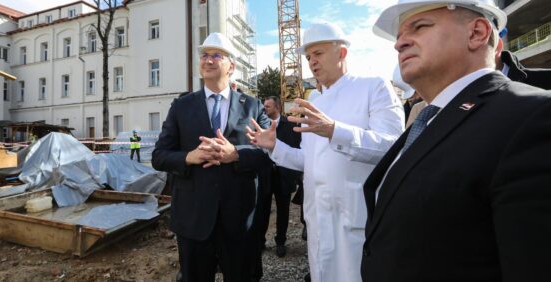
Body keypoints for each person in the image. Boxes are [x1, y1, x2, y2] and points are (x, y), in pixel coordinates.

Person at [363, 0, 551, 281]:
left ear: (477, 33)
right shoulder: (429, 119)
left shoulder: (533, 117)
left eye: (420, 26)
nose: (399, 42)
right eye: (399, 35)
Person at [246, 22, 404, 282]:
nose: (312, 62)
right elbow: (310, 162)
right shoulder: (315, 102)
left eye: (318, 54)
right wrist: (275, 146)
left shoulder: (373, 87)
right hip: (318, 219)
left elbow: (391, 148)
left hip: (355, 220)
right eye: (308, 57)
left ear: (341, 53)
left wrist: (334, 130)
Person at [152, 32, 271, 282]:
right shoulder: (181, 106)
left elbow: (268, 153)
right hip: (193, 220)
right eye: (204, 55)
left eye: (217, 55)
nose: (208, 60)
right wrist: (189, 157)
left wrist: (236, 154)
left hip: (239, 219)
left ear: (232, 66)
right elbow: (159, 156)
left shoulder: (253, 106)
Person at [257, 96, 302, 258]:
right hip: (265, 176)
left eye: (267, 107)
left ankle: (281, 242)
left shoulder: (290, 125)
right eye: (264, 107)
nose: (264, 109)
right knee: (262, 210)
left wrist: (295, 175)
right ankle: (261, 240)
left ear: (277, 107)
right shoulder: (261, 125)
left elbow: (297, 148)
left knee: (283, 211)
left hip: (284, 176)